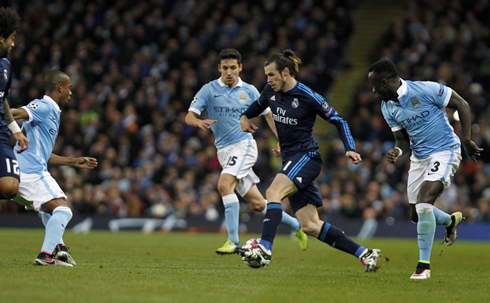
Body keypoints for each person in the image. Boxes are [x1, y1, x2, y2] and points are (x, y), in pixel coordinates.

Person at [239, 49, 380, 272]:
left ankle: (265, 247)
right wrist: (244, 118)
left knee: (273, 192)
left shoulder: (308, 96)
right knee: (311, 226)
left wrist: (350, 149)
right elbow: (254, 108)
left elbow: (339, 121)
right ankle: (366, 253)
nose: (268, 80)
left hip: (307, 156)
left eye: (272, 75)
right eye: (267, 75)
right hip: (290, 159)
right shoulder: (269, 91)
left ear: (286, 72)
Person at [367, 59, 483, 279]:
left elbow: (462, 104)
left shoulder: (426, 89)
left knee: (423, 203)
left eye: (374, 85)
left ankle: (423, 266)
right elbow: (401, 141)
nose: (373, 91)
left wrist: (466, 139)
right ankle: (450, 221)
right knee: (416, 214)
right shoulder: (387, 107)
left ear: (384, 83)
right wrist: (398, 152)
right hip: (419, 158)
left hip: (445, 150)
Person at [185, 48, 308, 255]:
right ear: (219, 68)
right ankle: (296, 225)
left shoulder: (250, 91)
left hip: (244, 146)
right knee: (258, 204)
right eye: (225, 68)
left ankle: (233, 241)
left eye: (233, 67)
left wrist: (281, 140)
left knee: (224, 185)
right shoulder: (209, 89)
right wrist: (198, 122)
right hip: (223, 151)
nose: (229, 72)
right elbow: (189, 116)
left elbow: (269, 116)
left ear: (240, 67)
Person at [11, 70, 98, 266]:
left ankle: (61, 250)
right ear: (60, 87)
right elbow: (15, 113)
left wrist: (73, 161)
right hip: (31, 173)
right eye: (69, 88)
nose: (70, 93)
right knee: (64, 211)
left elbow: (42, 152)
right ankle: (45, 254)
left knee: (49, 210)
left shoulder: (52, 113)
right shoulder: (44, 106)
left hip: (23, 173)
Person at [0, 7, 29, 199]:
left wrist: (15, 130)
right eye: (11, 38)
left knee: (10, 187)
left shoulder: (5, 66)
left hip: (0, 135)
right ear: (1, 38)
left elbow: (3, 100)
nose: (13, 44)